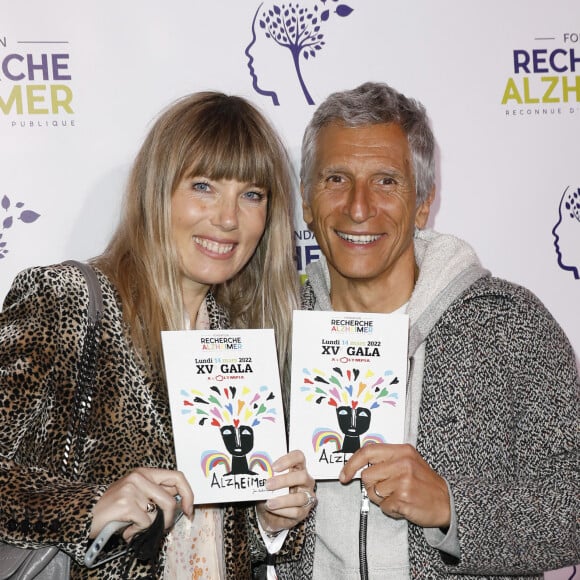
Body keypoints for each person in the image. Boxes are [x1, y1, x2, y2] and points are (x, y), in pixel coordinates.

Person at [0, 91, 316, 579]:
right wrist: (88, 507)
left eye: (251, 194)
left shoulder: (241, 337)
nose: (229, 218)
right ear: (157, 189)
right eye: (204, 186)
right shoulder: (67, 299)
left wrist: (266, 518)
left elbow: (208, 532)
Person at [298, 81, 579, 578]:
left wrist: (453, 509)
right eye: (336, 179)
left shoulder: (508, 324)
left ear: (424, 203)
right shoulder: (273, 329)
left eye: (387, 181)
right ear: (306, 202)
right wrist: (264, 522)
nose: (359, 207)